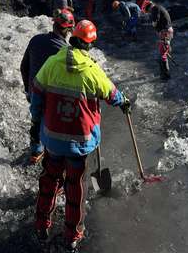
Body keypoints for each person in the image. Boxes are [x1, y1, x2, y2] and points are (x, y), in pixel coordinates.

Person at [31, 20, 131, 251]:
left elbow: (37, 95)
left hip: (53, 140)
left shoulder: (52, 63)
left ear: (72, 38)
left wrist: (36, 122)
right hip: (80, 143)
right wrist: (124, 102)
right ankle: (72, 235)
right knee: (76, 188)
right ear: (89, 43)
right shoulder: (92, 70)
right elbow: (112, 93)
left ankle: (41, 224)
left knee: (49, 180)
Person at [20, 9, 75, 164]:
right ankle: (52, 152)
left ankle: (35, 150)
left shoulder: (35, 39)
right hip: (52, 96)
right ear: (68, 30)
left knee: (36, 119)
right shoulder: (65, 51)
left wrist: (27, 88)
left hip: (33, 91)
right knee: (52, 123)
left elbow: (24, 66)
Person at [143, 1, 175, 79]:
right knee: (163, 53)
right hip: (167, 32)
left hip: (165, 32)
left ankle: (165, 76)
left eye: (147, 11)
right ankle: (164, 74)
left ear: (148, 8)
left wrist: (153, 24)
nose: (148, 13)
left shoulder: (155, 8)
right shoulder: (159, 7)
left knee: (162, 55)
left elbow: (155, 21)